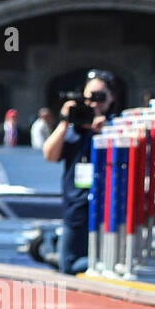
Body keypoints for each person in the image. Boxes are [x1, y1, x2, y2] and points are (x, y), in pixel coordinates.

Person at [42, 71, 119, 274]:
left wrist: (104, 131)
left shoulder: (116, 126)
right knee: (68, 266)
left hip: (108, 208)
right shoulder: (74, 127)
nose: (94, 103)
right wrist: (65, 120)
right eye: (89, 97)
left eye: (100, 97)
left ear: (111, 98)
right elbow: (49, 155)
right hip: (76, 207)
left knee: (107, 263)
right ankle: (59, 253)